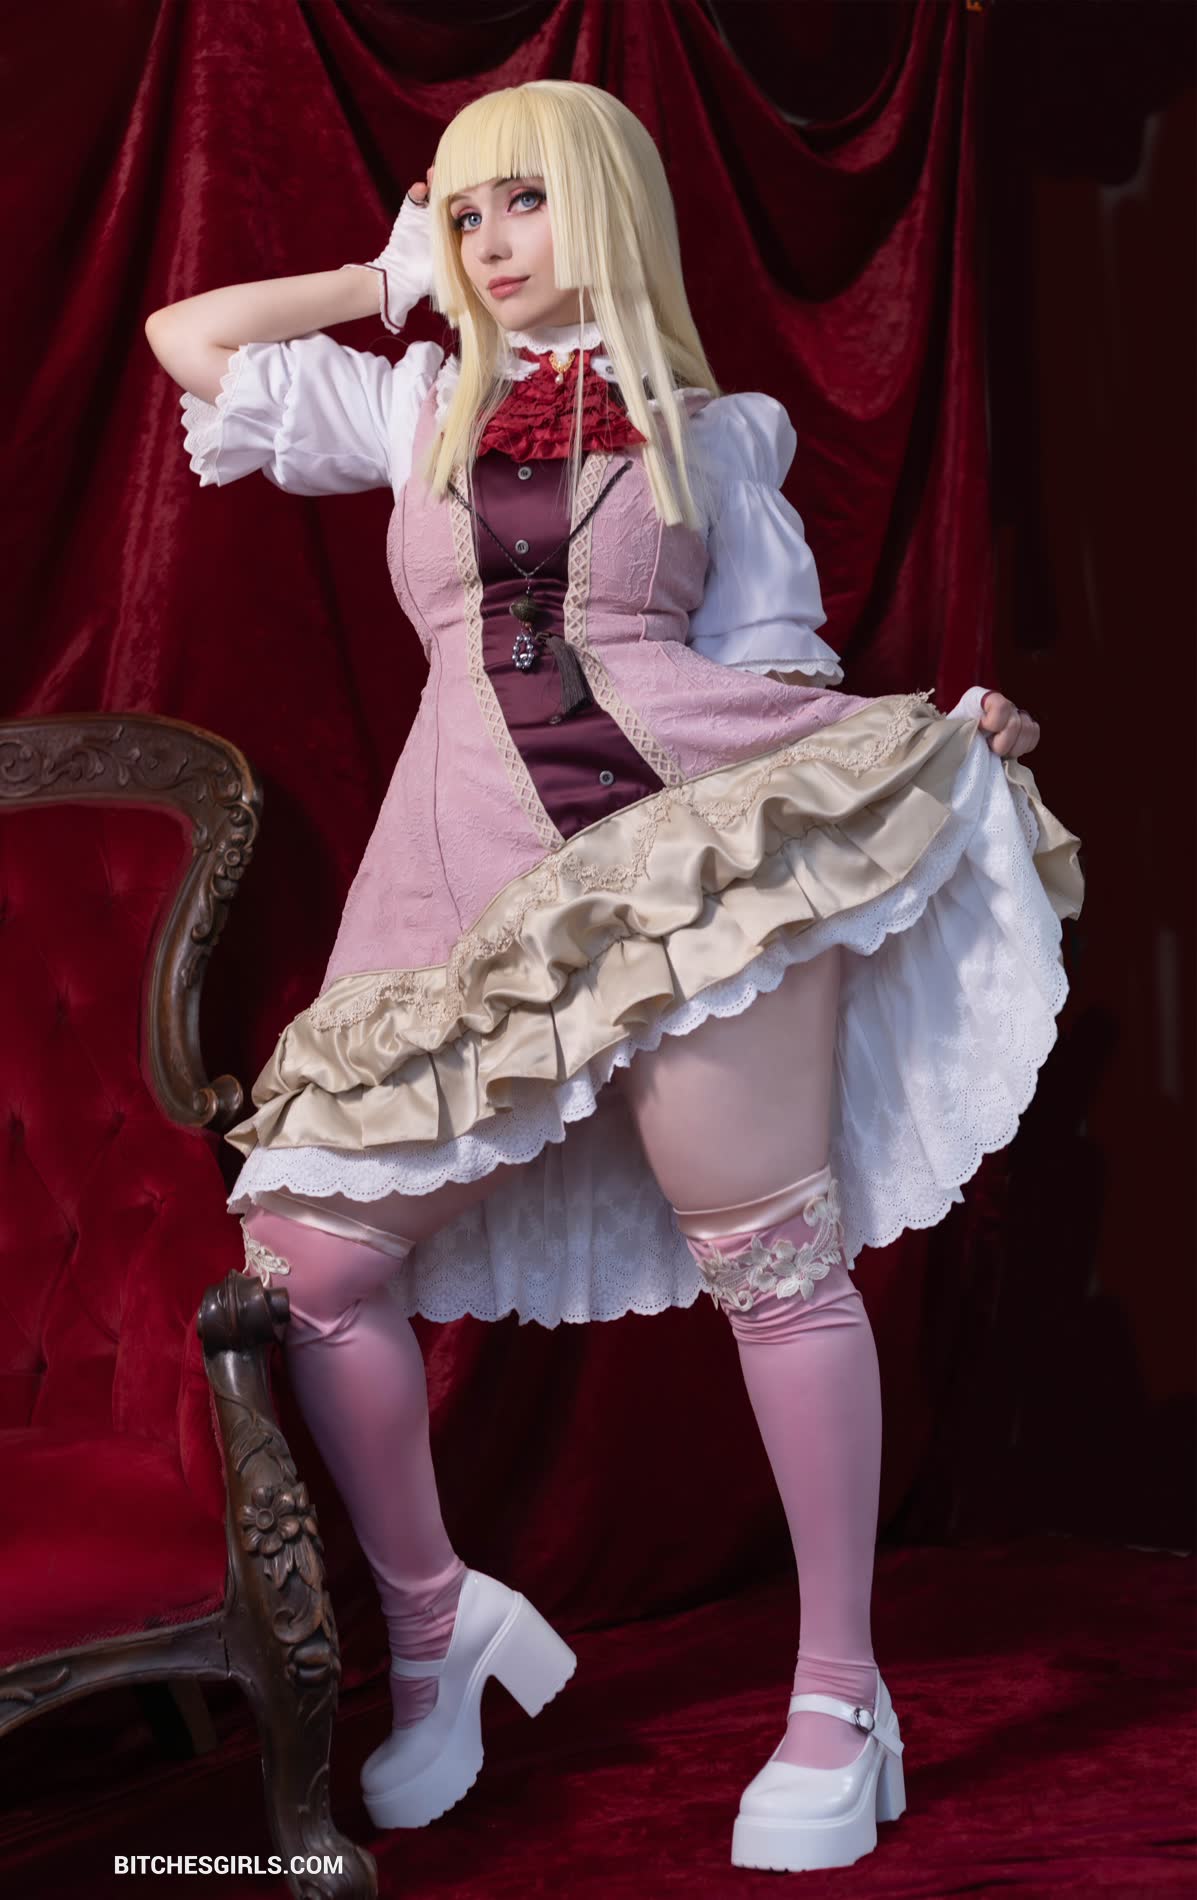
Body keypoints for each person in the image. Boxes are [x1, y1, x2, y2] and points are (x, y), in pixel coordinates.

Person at [145, 79, 1083, 1873]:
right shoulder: (417, 402)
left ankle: (839, 1694)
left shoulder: (719, 439)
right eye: (465, 212)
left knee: (774, 1268)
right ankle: (439, 1625)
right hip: (458, 885)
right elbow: (187, 338)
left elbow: (777, 677)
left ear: (610, 207)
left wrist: (924, 750)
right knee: (313, 1261)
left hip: (676, 861)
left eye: (524, 201)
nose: (491, 242)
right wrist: (382, 280)